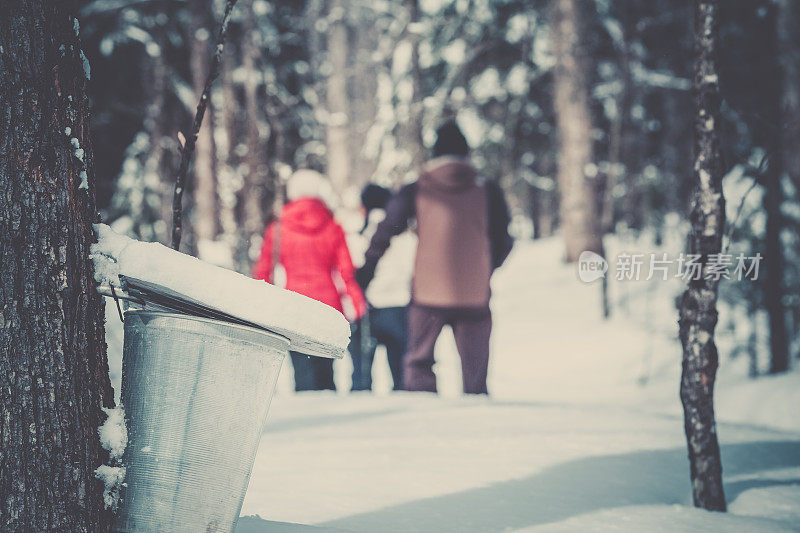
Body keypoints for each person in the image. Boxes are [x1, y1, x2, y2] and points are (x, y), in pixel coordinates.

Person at [356, 120, 513, 395]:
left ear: (435, 153)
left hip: (428, 294)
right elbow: (504, 238)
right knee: (475, 376)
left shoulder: (417, 188)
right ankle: (479, 422)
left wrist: (367, 269)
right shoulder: (488, 190)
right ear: (466, 153)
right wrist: (486, 268)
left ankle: (423, 420)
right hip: (474, 295)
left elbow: (385, 230)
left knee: (418, 364)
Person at [253, 169, 366, 391]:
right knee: (326, 372)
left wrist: (261, 305)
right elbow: (347, 272)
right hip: (328, 308)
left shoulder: (278, 229)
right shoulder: (333, 227)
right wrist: (357, 303)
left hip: (294, 307)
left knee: (302, 373)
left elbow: (263, 271)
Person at [348, 184, 416, 391]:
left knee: (362, 376)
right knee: (401, 376)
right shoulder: (406, 236)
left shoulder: (359, 235)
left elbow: (352, 272)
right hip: (399, 308)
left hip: (367, 311)